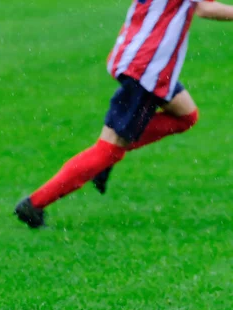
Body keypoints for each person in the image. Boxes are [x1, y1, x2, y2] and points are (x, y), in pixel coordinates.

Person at [15, 0, 233, 229]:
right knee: (107, 150)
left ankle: (104, 157)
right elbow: (205, 8)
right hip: (147, 68)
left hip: (140, 56)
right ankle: (34, 204)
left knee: (185, 115)